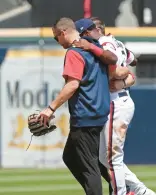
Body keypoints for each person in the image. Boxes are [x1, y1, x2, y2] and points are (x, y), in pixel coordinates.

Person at [74, 18, 156, 195]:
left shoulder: (103, 43)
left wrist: (121, 74)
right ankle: (141, 191)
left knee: (112, 159)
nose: (83, 37)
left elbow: (115, 67)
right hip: (119, 100)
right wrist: (126, 74)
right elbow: (133, 60)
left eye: (85, 32)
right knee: (106, 158)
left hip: (115, 103)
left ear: (95, 30)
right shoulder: (115, 42)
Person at [37, 17, 116, 195]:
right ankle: (116, 184)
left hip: (85, 115)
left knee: (89, 168)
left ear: (63, 32)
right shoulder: (94, 46)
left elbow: (73, 84)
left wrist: (50, 109)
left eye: (56, 37)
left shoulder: (75, 52)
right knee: (71, 157)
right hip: (99, 112)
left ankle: (117, 187)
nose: (57, 41)